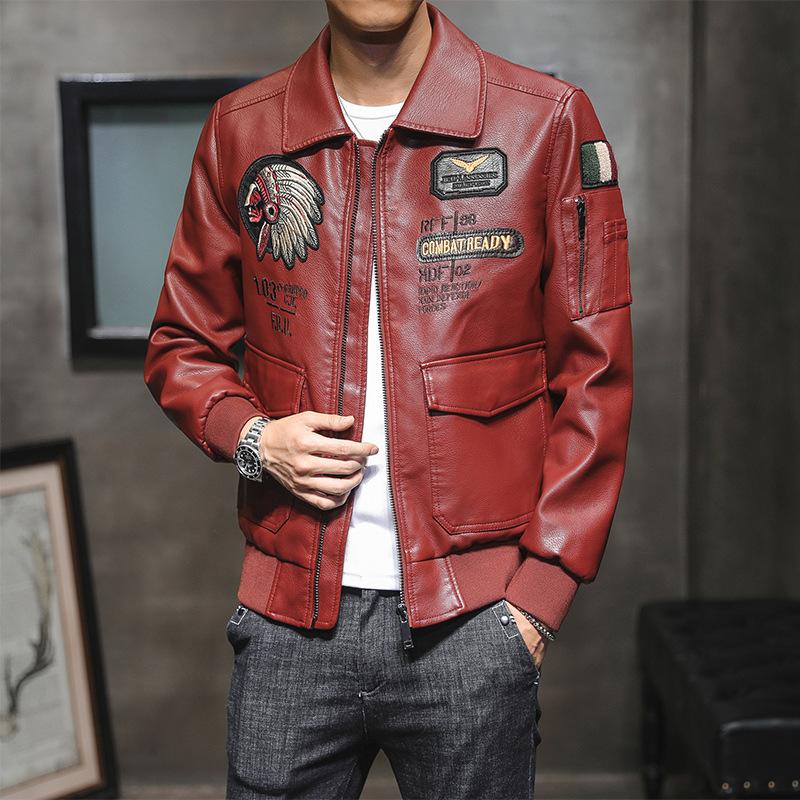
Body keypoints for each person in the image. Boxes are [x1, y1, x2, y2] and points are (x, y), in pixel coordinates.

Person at [143, 1, 634, 798]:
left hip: (474, 622)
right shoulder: (243, 129)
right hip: (289, 617)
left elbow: (596, 371)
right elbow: (181, 342)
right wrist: (256, 439)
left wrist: (538, 599)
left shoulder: (543, 121)